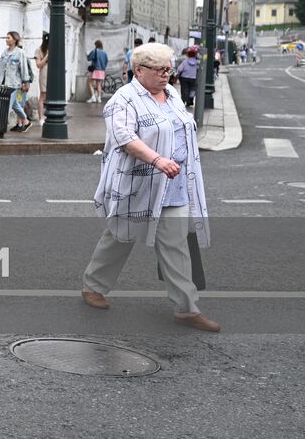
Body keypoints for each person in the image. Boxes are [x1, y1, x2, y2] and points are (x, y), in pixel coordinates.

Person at [81, 43, 218, 333]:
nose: (166, 74)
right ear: (139, 70)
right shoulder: (124, 99)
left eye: (168, 69)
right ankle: (93, 286)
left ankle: (187, 308)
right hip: (138, 182)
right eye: (159, 70)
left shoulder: (172, 95)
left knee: (176, 245)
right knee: (120, 237)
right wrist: (157, 160)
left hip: (175, 183)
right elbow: (124, 136)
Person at [0, 31, 33, 132]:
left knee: (6, 106)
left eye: (8, 38)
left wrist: (26, 83)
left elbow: (24, 69)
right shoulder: (5, 53)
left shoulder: (20, 53)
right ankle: (26, 122)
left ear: (14, 40)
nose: (6, 39)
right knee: (15, 105)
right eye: (6, 37)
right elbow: (0, 66)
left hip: (14, 84)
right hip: (4, 83)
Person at [35, 34, 50, 124]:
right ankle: (41, 118)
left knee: (51, 97)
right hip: (44, 74)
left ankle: (47, 115)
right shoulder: (39, 50)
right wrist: (47, 56)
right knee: (43, 96)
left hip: (53, 75)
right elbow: (38, 65)